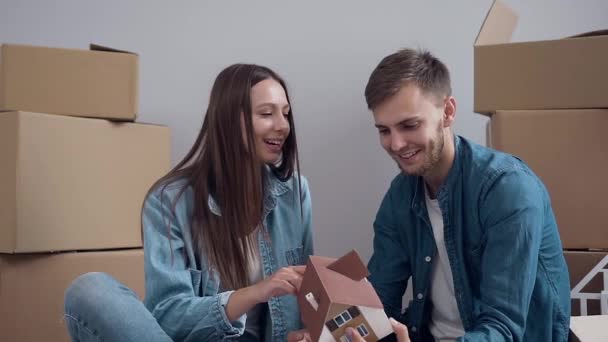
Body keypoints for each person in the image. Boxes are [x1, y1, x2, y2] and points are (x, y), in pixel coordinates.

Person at [64, 64, 313, 341]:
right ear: (230, 120)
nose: (282, 126)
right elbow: (169, 316)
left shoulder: (295, 193)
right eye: (267, 113)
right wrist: (256, 292)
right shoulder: (169, 201)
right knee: (90, 290)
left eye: (285, 114)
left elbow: (308, 299)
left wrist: (304, 335)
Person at [364, 48, 571, 341]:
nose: (396, 144)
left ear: (447, 112)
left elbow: (503, 329)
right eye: (384, 130)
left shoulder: (508, 189)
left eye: (409, 125)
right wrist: (333, 332)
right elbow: (379, 301)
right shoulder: (401, 195)